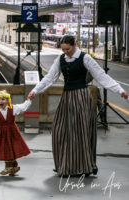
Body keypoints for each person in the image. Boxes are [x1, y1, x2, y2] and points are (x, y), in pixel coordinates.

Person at [27, 35, 128, 177]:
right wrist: (35, 90)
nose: (65, 52)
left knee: (79, 132)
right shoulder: (60, 59)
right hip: (67, 98)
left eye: (67, 49)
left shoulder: (85, 58)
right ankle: (65, 164)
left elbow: (101, 76)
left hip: (81, 97)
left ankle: (83, 166)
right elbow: (50, 77)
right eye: (63, 49)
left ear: (75, 44)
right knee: (59, 130)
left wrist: (119, 90)